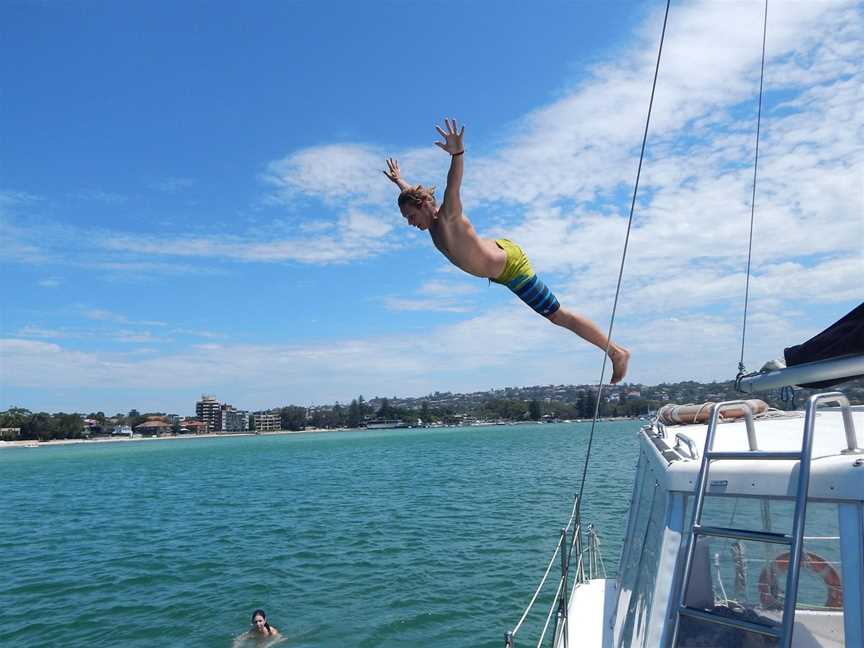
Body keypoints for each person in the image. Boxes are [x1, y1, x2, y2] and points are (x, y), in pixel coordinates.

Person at [383, 117, 630, 383]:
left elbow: (452, 186)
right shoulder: (429, 221)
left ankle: (616, 352)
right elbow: (412, 193)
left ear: (423, 205)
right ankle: (614, 351)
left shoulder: (447, 217)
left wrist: (457, 154)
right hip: (499, 266)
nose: (410, 224)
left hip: (512, 268)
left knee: (557, 315)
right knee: (555, 316)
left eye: (410, 217)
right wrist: (400, 181)